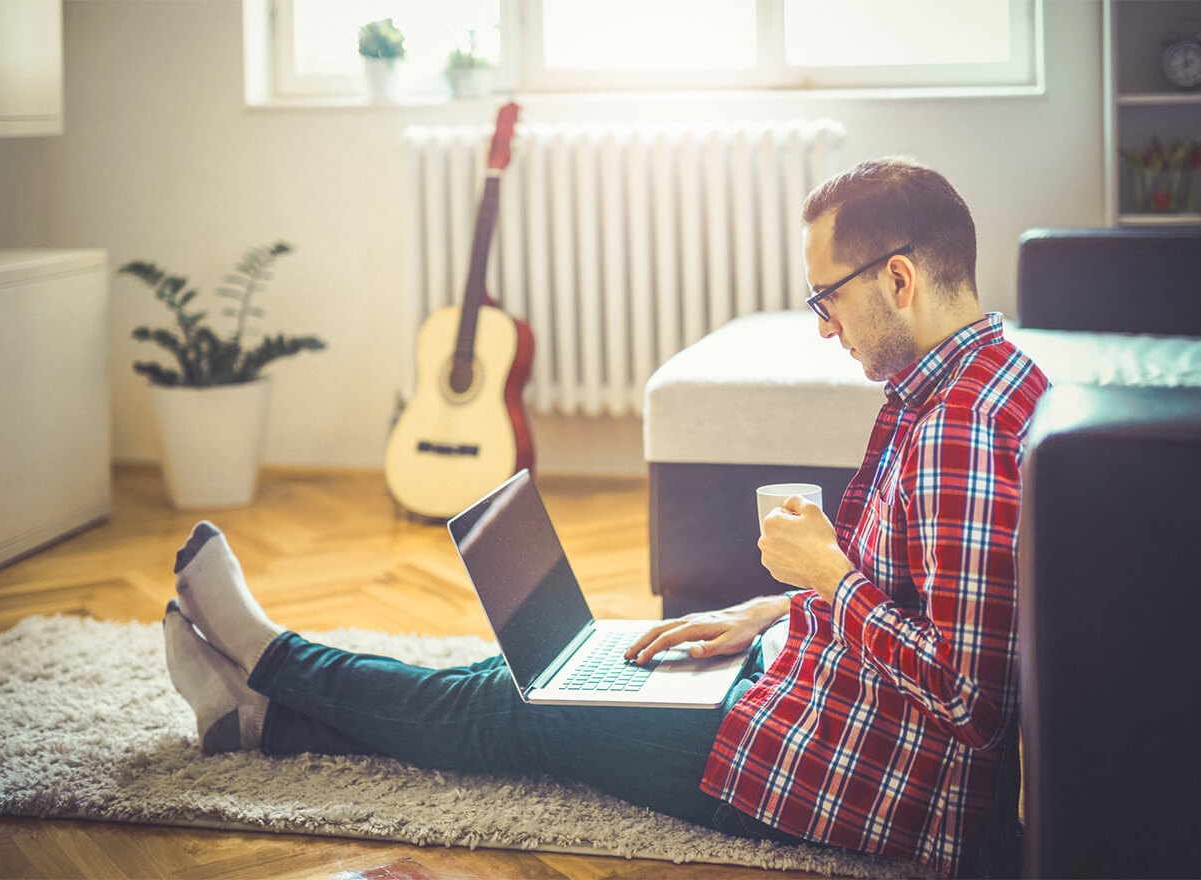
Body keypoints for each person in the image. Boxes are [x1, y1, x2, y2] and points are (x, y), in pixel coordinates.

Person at [162, 156, 1048, 879]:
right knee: (549, 671)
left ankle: (269, 656)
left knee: (526, 708)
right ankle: (256, 723)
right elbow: (926, 603)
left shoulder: (960, 434)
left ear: (899, 278)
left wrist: (828, 576)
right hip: (812, 687)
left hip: (841, 769)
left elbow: (969, 700)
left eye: (828, 299)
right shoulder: (983, 379)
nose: (823, 327)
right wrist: (770, 613)